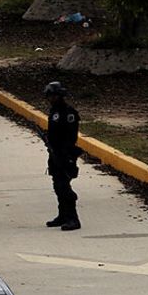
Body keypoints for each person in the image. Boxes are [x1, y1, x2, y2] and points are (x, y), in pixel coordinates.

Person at [44, 81, 82, 232]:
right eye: (49, 96)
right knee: (57, 185)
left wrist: (65, 154)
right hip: (54, 154)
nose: (50, 99)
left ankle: (73, 218)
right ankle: (63, 215)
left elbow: (71, 136)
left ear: (60, 96)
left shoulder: (69, 113)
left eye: (53, 96)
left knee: (64, 186)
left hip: (65, 155)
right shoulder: (53, 111)